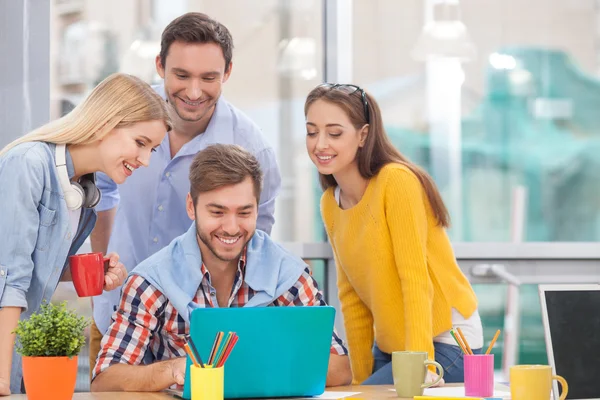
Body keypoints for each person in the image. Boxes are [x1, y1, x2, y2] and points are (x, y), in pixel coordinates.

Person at [89, 12, 282, 374]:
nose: (194, 92)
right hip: (116, 318)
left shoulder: (252, 147)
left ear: (227, 73)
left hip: (203, 339)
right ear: (160, 66)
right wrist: (104, 273)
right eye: (182, 75)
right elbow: (101, 194)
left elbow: (255, 240)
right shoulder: (124, 121)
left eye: (208, 77)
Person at [90, 144, 351, 392]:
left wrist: (250, 368)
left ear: (257, 210)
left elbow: (340, 368)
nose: (231, 227)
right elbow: (105, 380)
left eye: (244, 213)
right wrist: (173, 370)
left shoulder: (289, 275)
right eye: (217, 212)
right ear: (192, 207)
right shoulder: (151, 282)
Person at [0, 72, 173, 396]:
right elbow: (9, 277)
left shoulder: (83, 191)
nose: (146, 160)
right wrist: (3, 377)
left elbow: (38, 266)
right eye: (141, 143)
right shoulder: (29, 164)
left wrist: (86, 271)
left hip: (20, 356)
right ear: (106, 123)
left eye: (152, 149)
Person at [304, 83, 483, 385]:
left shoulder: (396, 182)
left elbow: (415, 279)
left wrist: (422, 363)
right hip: (392, 346)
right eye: (311, 131)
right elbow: (352, 298)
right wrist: (359, 383)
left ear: (363, 135)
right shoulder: (329, 204)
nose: (320, 143)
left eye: (334, 133)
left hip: (445, 341)